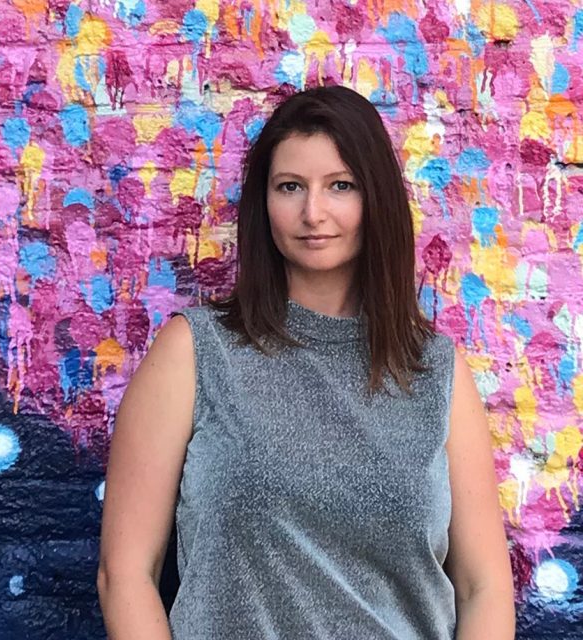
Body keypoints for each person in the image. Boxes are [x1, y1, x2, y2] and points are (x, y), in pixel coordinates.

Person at [96, 84, 515, 639]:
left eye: (340, 185)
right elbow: (124, 573)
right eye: (290, 186)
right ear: (264, 202)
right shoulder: (195, 352)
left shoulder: (434, 371)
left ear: (375, 199)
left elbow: (484, 587)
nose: (312, 212)